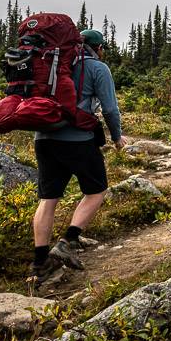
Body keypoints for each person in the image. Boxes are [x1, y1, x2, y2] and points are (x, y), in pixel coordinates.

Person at [29, 29, 126, 284]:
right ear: (98, 47)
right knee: (96, 191)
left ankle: (40, 263)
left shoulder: (48, 63)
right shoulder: (97, 68)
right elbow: (110, 109)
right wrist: (117, 138)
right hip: (78, 141)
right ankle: (68, 240)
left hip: (43, 138)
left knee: (48, 199)